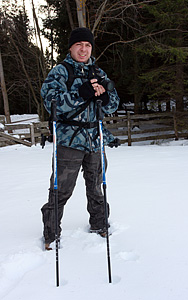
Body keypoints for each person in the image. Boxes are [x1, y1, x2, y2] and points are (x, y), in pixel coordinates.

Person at [41, 27, 120, 250]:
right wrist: (80, 94)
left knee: (96, 187)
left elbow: (114, 103)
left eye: (87, 45)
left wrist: (104, 97)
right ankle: (51, 232)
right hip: (69, 141)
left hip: (95, 139)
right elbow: (51, 103)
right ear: (71, 48)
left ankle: (100, 224)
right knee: (61, 189)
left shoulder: (98, 72)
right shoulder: (61, 72)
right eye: (79, 45)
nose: (83, 49)